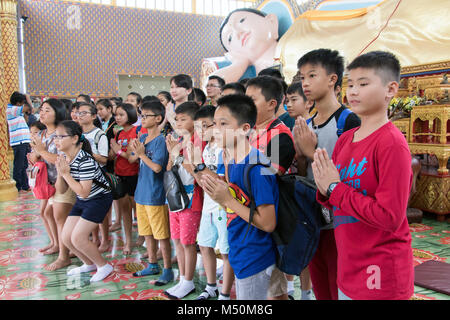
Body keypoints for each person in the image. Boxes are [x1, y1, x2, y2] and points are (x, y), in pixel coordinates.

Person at [313, 51, 414, 300]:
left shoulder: (391, 144)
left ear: (391, 89)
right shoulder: (346, 139)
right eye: (350, 84)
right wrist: (324, 188)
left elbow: (390, 216)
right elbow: (335, 195)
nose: (353, 91)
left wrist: (334, 189)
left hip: (381, 268)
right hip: (348, 262)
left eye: (363, 83)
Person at [294, 48, 361, 300]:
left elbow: (352, 174)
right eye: (302, 78)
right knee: (319, 283)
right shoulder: (307, 124)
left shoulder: (348, 122)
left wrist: (311, 153)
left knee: (338, 284)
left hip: (339, 220)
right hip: (312, 218)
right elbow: (303, 174)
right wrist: (301, 158)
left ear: (333, 79)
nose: (306, 83)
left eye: (312, 75)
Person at [200, 94, 278, 300]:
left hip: (255, 255)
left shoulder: (257, 168)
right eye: (214, 123)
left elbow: (268, 223)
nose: (215, 129)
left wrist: (227, 200)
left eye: (223, 124)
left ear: (244, 129)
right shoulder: (231, 159)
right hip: (241, 249)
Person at [245, 75, 295, 300]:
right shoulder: (250, 132)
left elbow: (267, 178)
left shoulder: (279, 136)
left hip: (269, 219)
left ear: (272, 104)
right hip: (249, 215)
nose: (246, 106)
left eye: (252, 100)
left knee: (273, 289)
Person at [56, 120, 114, 283]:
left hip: (98, 199)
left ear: (74, 139)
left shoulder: (85, 160)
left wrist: (66, 174)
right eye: (56, 137)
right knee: (66, 237)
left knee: (78, 238)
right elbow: (61, 190)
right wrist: (61, 173)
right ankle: (89, 263)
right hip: (83, 200)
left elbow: (84, 191)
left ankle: (103, 266)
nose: (57, 140)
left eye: (61, 136)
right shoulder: (64, 159)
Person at [187, 106, 234, 300]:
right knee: (205, 246)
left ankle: (225, 293)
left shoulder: (224, 148)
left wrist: (199, 165)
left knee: (225, 251)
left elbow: (221, 181)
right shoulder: (205, 148)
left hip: (223, 206)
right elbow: (201, 180)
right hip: (208, 205)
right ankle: (211, 286)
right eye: (198, 128)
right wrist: (196, 166)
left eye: (205, 126)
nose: (201, 132)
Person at [127, 101, 174, 286]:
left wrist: (141, 154)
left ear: (158, 118)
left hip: (156, 195)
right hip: (142, 193)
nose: (142, 119)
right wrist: (137, 151)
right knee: (147, 233)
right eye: (142, 116)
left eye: (146, 116)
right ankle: (153, 264)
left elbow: (157, 168)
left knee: (161, 235)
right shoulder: (144, 139)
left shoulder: (161, 140)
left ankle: (168, 269)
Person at [164, 101, 204, 299]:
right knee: (177, 240)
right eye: (176, 119)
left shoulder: (197, 141)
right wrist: (172, 153)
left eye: (183, 119)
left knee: (188, 243)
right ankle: (182, 278)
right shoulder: (177, 140)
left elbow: (194, 169)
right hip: (175, 198)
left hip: (191, 199)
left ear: (195, 121)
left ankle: (188, 280)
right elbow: (168, 169)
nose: (178, 123)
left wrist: (177, 153)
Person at [285, 81, 315, 299]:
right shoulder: (286, 129)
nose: (289, 105)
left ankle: (306, 292)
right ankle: (288, 288)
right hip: (290, 194)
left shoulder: (312, 128)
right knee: (291, 243)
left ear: (308, 102)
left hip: (310, 195)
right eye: (287, 100)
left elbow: (305, 170)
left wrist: (304, 156)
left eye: (294, 100)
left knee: (308, 247)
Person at [30, 99, 69, 257]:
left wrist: (42, 152)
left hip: (63, 180)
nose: (42, 113)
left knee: (58, 215)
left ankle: (64, 251)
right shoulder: (40, 134)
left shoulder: (61, 133)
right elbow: (34, 158)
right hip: (46, 180)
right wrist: (37, 153)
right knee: (46, 213)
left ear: (57, 113)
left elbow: (62, 159)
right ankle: (55, 243)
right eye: (41, 110)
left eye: (47, 110)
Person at [215, 8, 281, 83]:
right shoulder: (249, 83)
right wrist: (239, 64)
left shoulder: (293, 49)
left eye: (241, 20)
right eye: (230, 38)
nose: (238, 32)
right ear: (232, 54)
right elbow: (212, 86)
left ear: (271, 21)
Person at [77, 102, 110, 253]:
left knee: (100, 212)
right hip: (81, 176)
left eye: (84, 113)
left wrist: (87, 153)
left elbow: (104, 159)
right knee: (87, 210)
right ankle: (94, 237)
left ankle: (104, 239)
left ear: (93, 116)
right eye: (78, 113)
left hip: (97, 178)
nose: (80, 115)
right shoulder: (77, 134)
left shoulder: (99, 134)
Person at [109, 103, 140, 255]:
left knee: (138, 210)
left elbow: (132, 158)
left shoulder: (137, 131)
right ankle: (128, 241)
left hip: (134, 174)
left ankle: (142, 236)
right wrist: (113, 150)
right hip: (119, 175)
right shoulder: (118, 134)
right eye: (116, 115)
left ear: (130, 115)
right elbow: (112, 155)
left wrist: (118, 150)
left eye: (121, 114)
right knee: (124, 210)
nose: (117, 117)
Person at [96, 99, 120, 232]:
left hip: (112, 160)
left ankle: (117, 220)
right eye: (97, 110)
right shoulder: (102, 124)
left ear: (110, 109)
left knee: (115, 192)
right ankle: (108, 219)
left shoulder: (114, 124)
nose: (99, 112)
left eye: (101, 109)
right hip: (103, 161)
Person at [7, 92, 31, 193]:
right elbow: (28, 108)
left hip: (23, 141)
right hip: (19, 142)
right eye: (22, 103)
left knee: (24, 165)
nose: (23, 105)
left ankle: (25, 185)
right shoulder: (11, 109)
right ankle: (18, 186)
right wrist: (28, 99)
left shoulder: (16, 111)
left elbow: (27, 115)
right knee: (19, 165)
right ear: (17, 103)